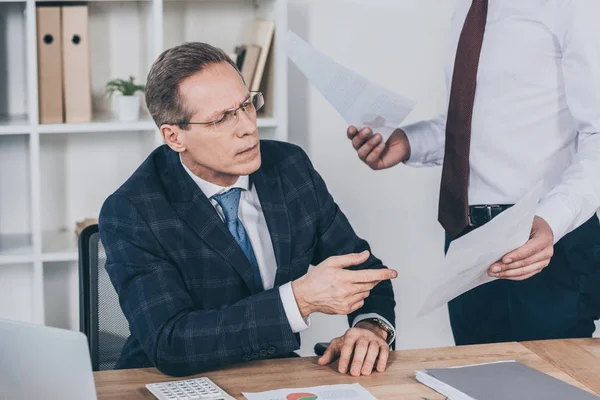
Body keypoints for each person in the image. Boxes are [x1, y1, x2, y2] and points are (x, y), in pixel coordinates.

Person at [99, 42, 397, 378]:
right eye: (222, 118)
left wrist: (370, 329)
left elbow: (365, 271)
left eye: (246, 105)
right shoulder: (133, 210)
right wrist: (296, 301)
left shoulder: (289, 167)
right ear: (174, 137)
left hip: (273, 377)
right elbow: (170, 343)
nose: (247, 126)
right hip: (167, 384)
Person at [347, 0, 600, 345]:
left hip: (544, 243)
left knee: (555, 386)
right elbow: (473, 123)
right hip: (469, 242)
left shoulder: (575, 6)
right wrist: (407, 143)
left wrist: (552, 221)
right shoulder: (469, 9)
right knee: (475, 381)